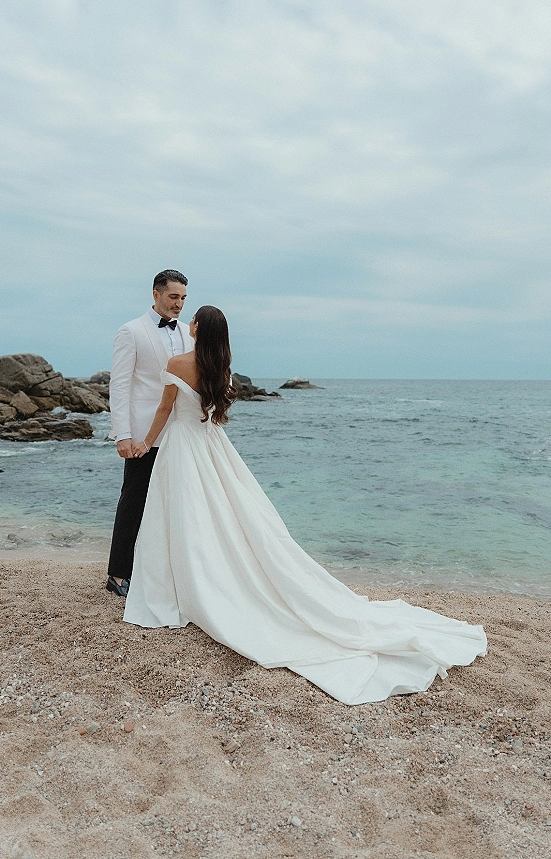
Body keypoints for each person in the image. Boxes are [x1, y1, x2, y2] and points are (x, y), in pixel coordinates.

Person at [123, 306, 487, 705]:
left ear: (196, 328)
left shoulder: (178, 362)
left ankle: (182, 583)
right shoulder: (223, 369)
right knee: (225, 514)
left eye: (192, 318)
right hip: (212, 446)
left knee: (184, 515)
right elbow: (216, 417)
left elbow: (163, 409)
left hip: (182, 446)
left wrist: (144, 441)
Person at [106, 269, 194, 597]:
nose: (179, 304)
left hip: (182, 432)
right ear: (155, 294)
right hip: (144, 433)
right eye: (173, 297)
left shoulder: (189, 332)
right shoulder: (131, 331)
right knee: (134, 500)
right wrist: (122, 434)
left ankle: (163, 571)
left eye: (183, 298)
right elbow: (120, 385)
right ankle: (118, 574)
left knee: (176, 502)